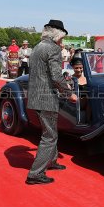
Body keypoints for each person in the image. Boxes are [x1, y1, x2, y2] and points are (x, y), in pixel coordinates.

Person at [26, 19, 77, 185]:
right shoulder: (53, 48)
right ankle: (35, 174)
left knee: (51, 131)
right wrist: (69, 93)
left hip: (35, 95)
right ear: (57, 35)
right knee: (49, 136)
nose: (61, 42)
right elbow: (56, 76)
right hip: (46, 97)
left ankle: (52, 161)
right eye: (61, 39)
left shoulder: (37, 47)